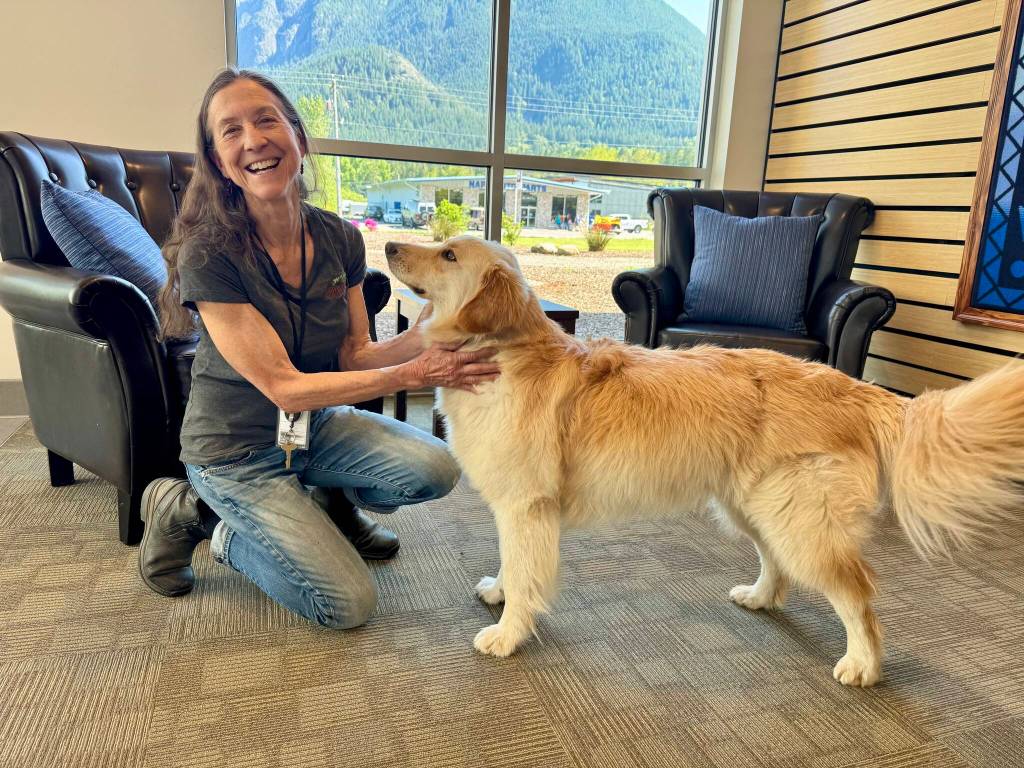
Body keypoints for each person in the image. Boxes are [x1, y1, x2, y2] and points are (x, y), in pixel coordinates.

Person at [138, 68, 499, 629]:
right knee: (345, 605)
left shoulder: (338, 238)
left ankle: (327, 497)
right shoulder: (209, 254)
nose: (253, 140)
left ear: (298, 138)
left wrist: (429, 332)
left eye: (266, 120)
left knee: (436, 468)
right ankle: (196, 515)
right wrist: (414, 372)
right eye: (230, 131)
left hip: (313, 427)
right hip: (234, 452)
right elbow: (282, 385)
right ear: (217, 161)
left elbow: (356, 353)